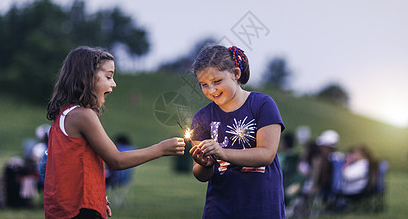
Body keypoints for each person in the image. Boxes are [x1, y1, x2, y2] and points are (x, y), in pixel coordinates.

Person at [44, 46, 185, 219]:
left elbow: (75, 168)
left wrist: (98, 198)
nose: (114, 83)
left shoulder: (65, 115)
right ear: (87, 77)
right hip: (77, 212)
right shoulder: (83, 116)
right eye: (108, 77)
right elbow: (116, 160)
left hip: (67, 208)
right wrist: (161, 149)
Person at [188, 44, 285, 219]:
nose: (211, 90)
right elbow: (201, 175)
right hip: (220, 208)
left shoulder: (262, 104)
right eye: (203, 84)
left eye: (217, 81)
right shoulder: (202, 117)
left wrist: (221, 152)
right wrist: (204, 164)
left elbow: (266, 155)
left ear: (236, 74)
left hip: (262, 206)